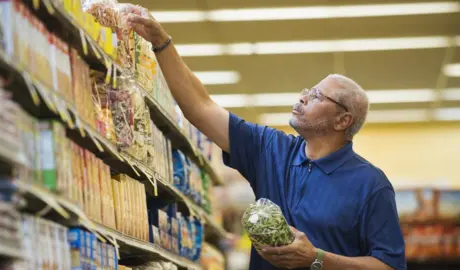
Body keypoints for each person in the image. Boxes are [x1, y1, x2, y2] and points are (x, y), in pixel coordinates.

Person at [126, 7, 406, 270]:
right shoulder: (271, 149)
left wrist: (316, 258)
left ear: (343, 120)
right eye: (308, 90)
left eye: (318, 96)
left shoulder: (371, 184)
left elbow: (389, 265)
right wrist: (161, 42)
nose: (302, 97)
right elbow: (201, 108)